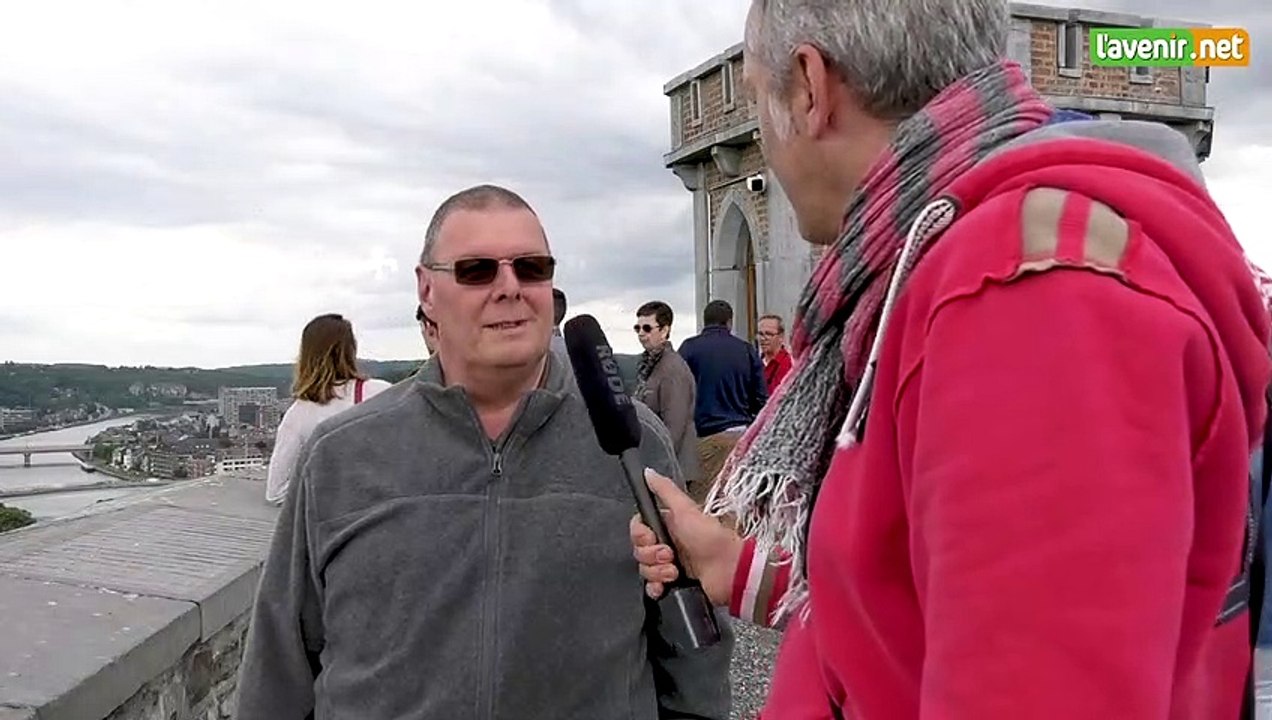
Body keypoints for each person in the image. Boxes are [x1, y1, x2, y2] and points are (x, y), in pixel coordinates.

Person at [630, 1, 1272, 718]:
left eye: (758, 96)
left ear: (809, 87)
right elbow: (922, 600)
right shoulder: (931, 266)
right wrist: (732, 565)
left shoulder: (1024, 293)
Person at [237, 184, 733, 720]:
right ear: (427, 290)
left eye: (531, 268)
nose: (509, 288)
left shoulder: (634, 445)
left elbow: (694, 654)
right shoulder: (342, 456)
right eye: (477, 270)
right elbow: (279, 664)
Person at [264, 313, 390, 505]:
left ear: (306, 356)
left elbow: (276, 492)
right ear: (351, 350)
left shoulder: (299, 414)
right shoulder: (384, 393)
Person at [678, 299, 767, 502]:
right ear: (729, 323)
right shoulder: (746, 350)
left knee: (703, 506)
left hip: (703, 441)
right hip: (739, 438)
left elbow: (679, 392)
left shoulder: (689, 349)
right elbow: (762, 398)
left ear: (704, 321)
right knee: (734, 506)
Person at [633, 300, 700, 492]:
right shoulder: (650, 366)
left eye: (647, 328)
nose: (641, 334)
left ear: (664, 331)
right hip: (659, 468)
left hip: (673, 472)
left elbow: (674, 428)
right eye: (637, 328)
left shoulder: (672, 370)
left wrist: (657, 467)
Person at [755, 314, 792, 394]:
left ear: (781, 337)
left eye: (768, 334)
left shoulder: (789, 364)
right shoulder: (755, 364)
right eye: (760, 334)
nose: (763, 338)